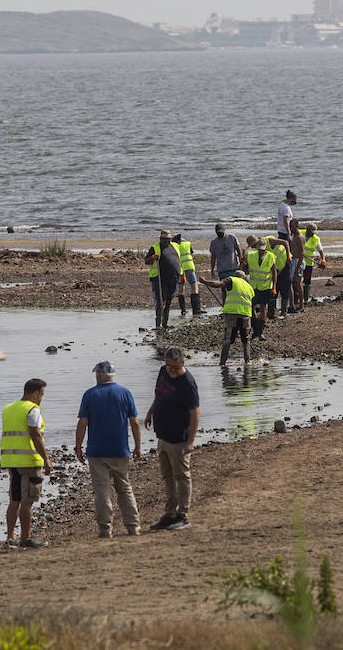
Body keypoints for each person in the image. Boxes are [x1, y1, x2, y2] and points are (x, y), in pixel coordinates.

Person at [74, 361, 141, 537]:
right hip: (120, 449)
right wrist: (138, 446)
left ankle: (106, 530)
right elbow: (134, 422)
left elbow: (82, 423)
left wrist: (78, 447)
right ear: (113, 375)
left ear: (98, 375)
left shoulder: (90, 394)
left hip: (97, 451)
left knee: (102, 491)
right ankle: (133, 527)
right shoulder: (125, 393)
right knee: (125, 489)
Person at [144, 347, 199, 531]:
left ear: (183, 363)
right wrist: (151, 411)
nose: (172, 371)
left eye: (175, 367)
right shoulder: (163, 372)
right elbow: (159, 394)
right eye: (169, 367)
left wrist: (190, 442)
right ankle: (170, 514)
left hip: (179, 439)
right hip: (163, 435)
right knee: (167, 477)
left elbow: (195, 413)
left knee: (181, 476)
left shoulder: (188, 383)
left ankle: (183, 515)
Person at [1, 378, 51, 548]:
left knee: (14, 500)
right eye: (42, 394)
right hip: (29, 461)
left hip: (11, 461)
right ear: (36, 393)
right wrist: (46, 459)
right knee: (27, 500)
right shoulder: (32, 409)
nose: (42, 398)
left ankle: (10, 537)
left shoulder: (9, 409)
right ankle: (25, 538)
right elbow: (36, 435)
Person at [200, 270, 253, 365]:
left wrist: (205, 282)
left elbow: (218, 284)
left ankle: (222, 363)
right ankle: (247, 362)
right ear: (244, 278)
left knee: (227, 340)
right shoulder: (249, 287)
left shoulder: (232, 280)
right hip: (246, 315)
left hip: (232, 314)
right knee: (246, 340)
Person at [244, 235, 277, 340]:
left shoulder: (271, 256)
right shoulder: (251, 255)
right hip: (253, 286)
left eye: (263, 250)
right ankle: (255, 330)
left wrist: (274, 286)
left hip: (265, 286)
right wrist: (242, 263)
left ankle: (260, 331)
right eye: (259, 250)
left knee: (263, 308)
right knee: (251, 308)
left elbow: (274, 272)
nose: (261, 252)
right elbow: (245, 269)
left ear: (265, 248)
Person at [147, 230, 181, 329]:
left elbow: (178, 261)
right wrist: (153, 257)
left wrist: (182, 274)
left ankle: (165, 323)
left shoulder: (175, 246)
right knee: (161, 302)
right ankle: (158, 324)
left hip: (173, 279)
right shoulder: (155, 248)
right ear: (160, 239)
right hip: (159, 279)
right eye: (165, 240)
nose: (167, 241)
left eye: (168, 239)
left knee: (169, 301)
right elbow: (146, 261)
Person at [171, 233, 205, 316]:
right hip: (188, 267)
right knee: (194, 286)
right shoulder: (187, 244)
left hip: (179, 269)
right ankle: (196, 310)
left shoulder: (173, 246)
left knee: (181, 288)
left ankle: (183, 310)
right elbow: (191, 253)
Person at [301, 222, 327, 304]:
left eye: (314, 233)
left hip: (309, 263)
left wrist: (323, 260)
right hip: (299, 261)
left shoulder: (316, 239)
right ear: (308, 230)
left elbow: (321, 251)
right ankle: (296, 297)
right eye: (312, 232)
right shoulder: (300, 233)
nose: (313, 234)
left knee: (307, 282)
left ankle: (305, 299)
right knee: (296, 280)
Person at [270, 234, 292, 319]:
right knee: (274, 290)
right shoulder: (260, 250)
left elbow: (285, 242)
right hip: (276, 270)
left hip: (285, 266)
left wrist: (288, 256)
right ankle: (271, 313)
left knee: (285, 289)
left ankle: (284, 312)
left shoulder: (269, 240)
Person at [288, 218, 306, 312]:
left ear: (297, 226)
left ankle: (301, 305)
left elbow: (302, 253)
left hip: (298, 261)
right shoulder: (293, 236)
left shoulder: (299, 237)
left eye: (292, 226)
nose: (291, 228)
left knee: (298, 283)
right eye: (290, 226)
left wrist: (297, 267)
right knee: (292, 283)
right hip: (293, 260)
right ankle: (293, 304)